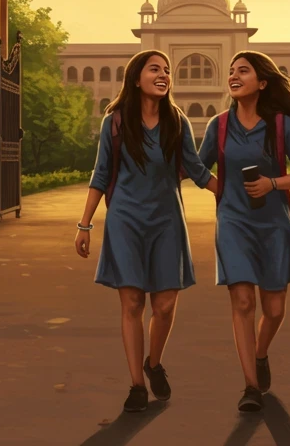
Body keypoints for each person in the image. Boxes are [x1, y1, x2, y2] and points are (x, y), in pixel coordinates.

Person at [74, 50, 219, 413]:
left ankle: (153, 363)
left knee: (165, 305)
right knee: (133, 303)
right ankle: (137, 385)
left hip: (167, 219)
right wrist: (85, 224)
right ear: (136, 77)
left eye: (167, 70)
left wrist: (230, 192)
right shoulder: (117, 123)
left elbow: (196, 168)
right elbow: (101, 174)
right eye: (155, 68)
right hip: (125, 219)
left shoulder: (177, 121)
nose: (164, 74)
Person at [197, 51, 290, 413]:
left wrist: (272, 183)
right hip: (234, 223)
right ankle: (250, 386)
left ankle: (261, 352)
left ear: (262, 83)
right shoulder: (218, 126)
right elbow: (195, 165)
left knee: (274, 307)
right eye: (231, 72)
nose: (234, 76)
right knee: (242, 302)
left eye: (244, 71)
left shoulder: (281, 125)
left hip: (273, 224)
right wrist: (219, 189)